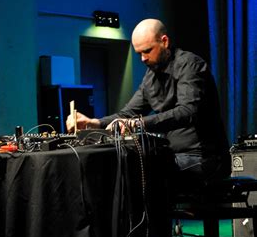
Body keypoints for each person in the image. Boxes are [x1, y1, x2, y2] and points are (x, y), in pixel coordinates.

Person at [67, 18, 231, 190]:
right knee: (123, 170)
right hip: (174, 155)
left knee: (144, 175)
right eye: (139, 54)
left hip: (205, 158)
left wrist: (139, 124)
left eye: (147, 51)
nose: (143, 59)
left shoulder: (190, 65)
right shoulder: (150, 77)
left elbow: (187, 111)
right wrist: (95, 123)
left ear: (164, 41)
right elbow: (128, 114)